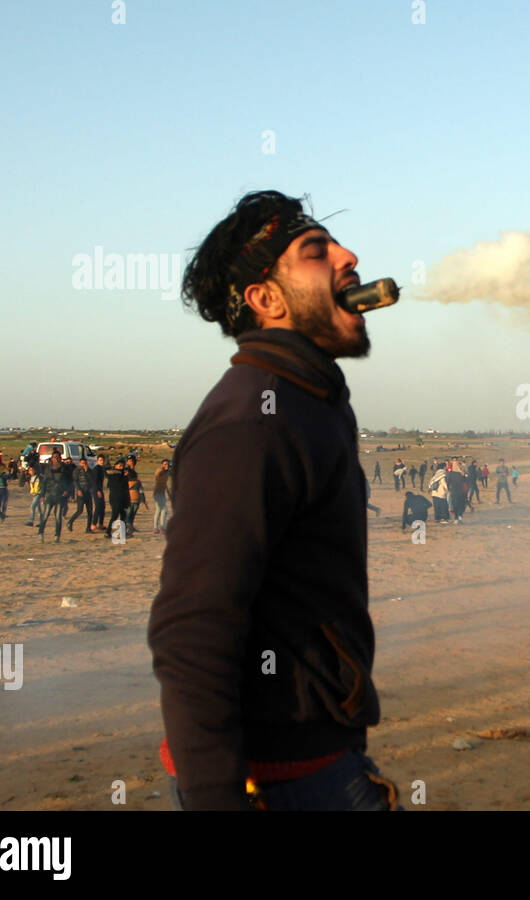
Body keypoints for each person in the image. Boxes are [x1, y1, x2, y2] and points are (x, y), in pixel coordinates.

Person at [150, 189, 395, 811]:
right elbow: (191, 630)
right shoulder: (254, 419)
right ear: (266, 298)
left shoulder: (310, 402)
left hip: (322, 761)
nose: (350, 256)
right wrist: (216, 798)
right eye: (317, 251)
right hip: (282, 786)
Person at [106, 454, 131, 538]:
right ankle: (108, 531)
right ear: (115, 466)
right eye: (119, 465)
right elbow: (119, 485)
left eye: (122, 466)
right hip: (115, 498)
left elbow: (126, 488)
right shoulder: (113, 475)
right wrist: (125, 477)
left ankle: (122, 532)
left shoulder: (122, 475)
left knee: (123, 515)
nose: (121, 467)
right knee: (115, 515)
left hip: (123, 498)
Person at [67, 459, 94, 532]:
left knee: (90, 511)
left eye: (85, 463)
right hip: (81, 492)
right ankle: (70, 522)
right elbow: (75, 481)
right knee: (79, 510)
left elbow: (92, 479)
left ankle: (88, 528)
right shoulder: (76, 470)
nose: (84, 464)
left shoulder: (89, 470)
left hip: (88, 492)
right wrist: (78, 490)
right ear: (79, 463)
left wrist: (87, 471)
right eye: (82, 463)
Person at [153, 460, 173, 534]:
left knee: (160, 510)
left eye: (167, 464)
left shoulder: (166, 473)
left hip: (162, 493)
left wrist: (169, 494)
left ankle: (158, 527)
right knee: (163, 509)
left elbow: (165, 484)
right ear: (162, 465)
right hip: (157, 493)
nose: (166, 465)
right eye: (164, 464)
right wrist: (162, 469)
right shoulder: (159, 471)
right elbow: (157, 474)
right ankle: (160, 527)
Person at [90, 454, 108, 531]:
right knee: (98, 507)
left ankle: (100, 524)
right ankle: (93, 524)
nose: (102, 462)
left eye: (103, 460)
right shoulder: (96, 469)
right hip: (96, 490)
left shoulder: (102, 468)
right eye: (100, 460)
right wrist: (97, 491)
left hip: (100, 489)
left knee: (102, 506)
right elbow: (94, 481)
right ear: (97, 461)